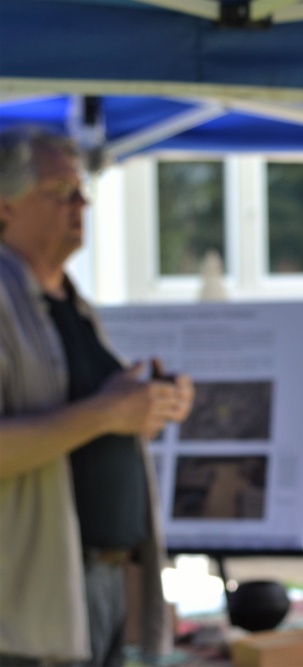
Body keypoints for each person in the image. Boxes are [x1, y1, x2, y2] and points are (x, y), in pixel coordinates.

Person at [0, 127, 194, 666]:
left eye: (81, 190)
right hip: (27, 610)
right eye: (61, 191)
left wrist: (147, 406)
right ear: (4, 207)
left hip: (101, 584)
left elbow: (92, 422)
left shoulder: (67, 301)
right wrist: (105, 412)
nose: (81, 203)